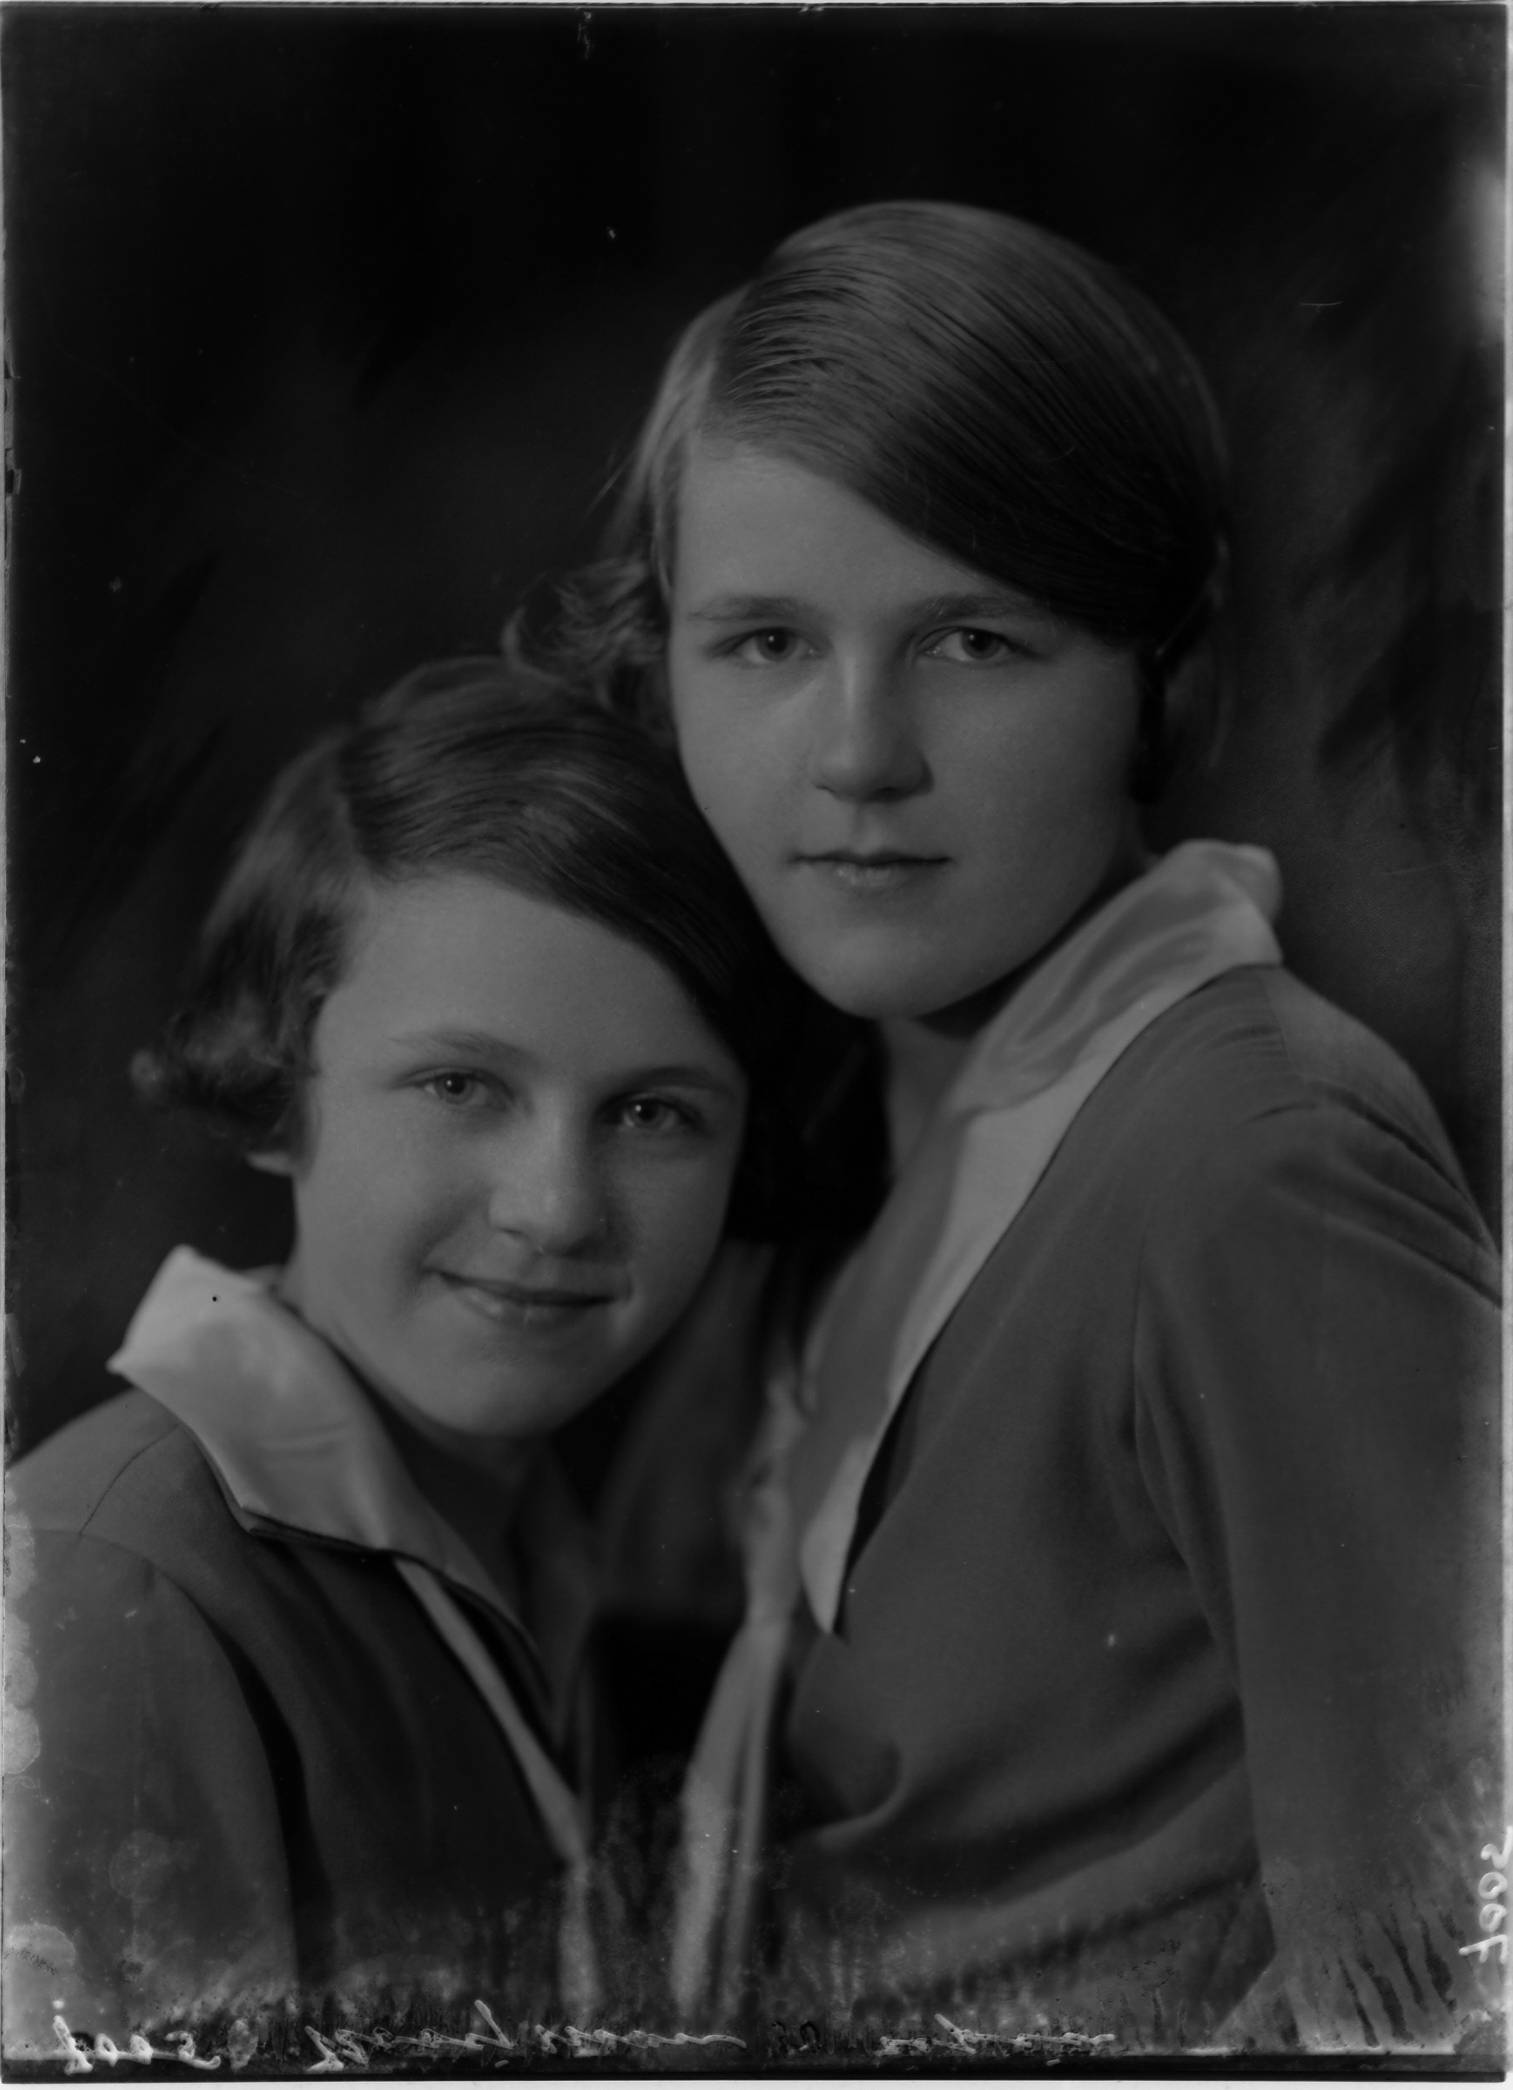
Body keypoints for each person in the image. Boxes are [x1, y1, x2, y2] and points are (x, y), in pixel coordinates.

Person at [510, 201, 1503, 2051]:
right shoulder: (896, 1139)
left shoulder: (1249, 1156)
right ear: (661, 673)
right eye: (764, 641)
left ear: (1163, 679)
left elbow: (1459, 1995)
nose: (856, 755)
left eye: (972, 640)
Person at [3, 661, 800, 2055]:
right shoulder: (114, 1581)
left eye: (653, 1112)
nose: (555, 1208)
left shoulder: (533, 1542)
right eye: (459, 1085)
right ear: (273, 1087)